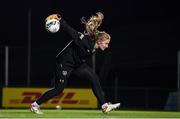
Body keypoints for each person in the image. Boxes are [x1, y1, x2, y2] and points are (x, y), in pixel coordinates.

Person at [30, 12, 120, 114]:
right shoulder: (84, 40)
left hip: (78, 64)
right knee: (58, 90)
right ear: (100, 41)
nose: (107, 46)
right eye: (106, 43)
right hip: (64, 63)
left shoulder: (95, 42)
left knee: (94, 77)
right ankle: (35, 105)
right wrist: (60, 19)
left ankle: (104, 106)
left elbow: (94, 31)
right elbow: (70, 31)